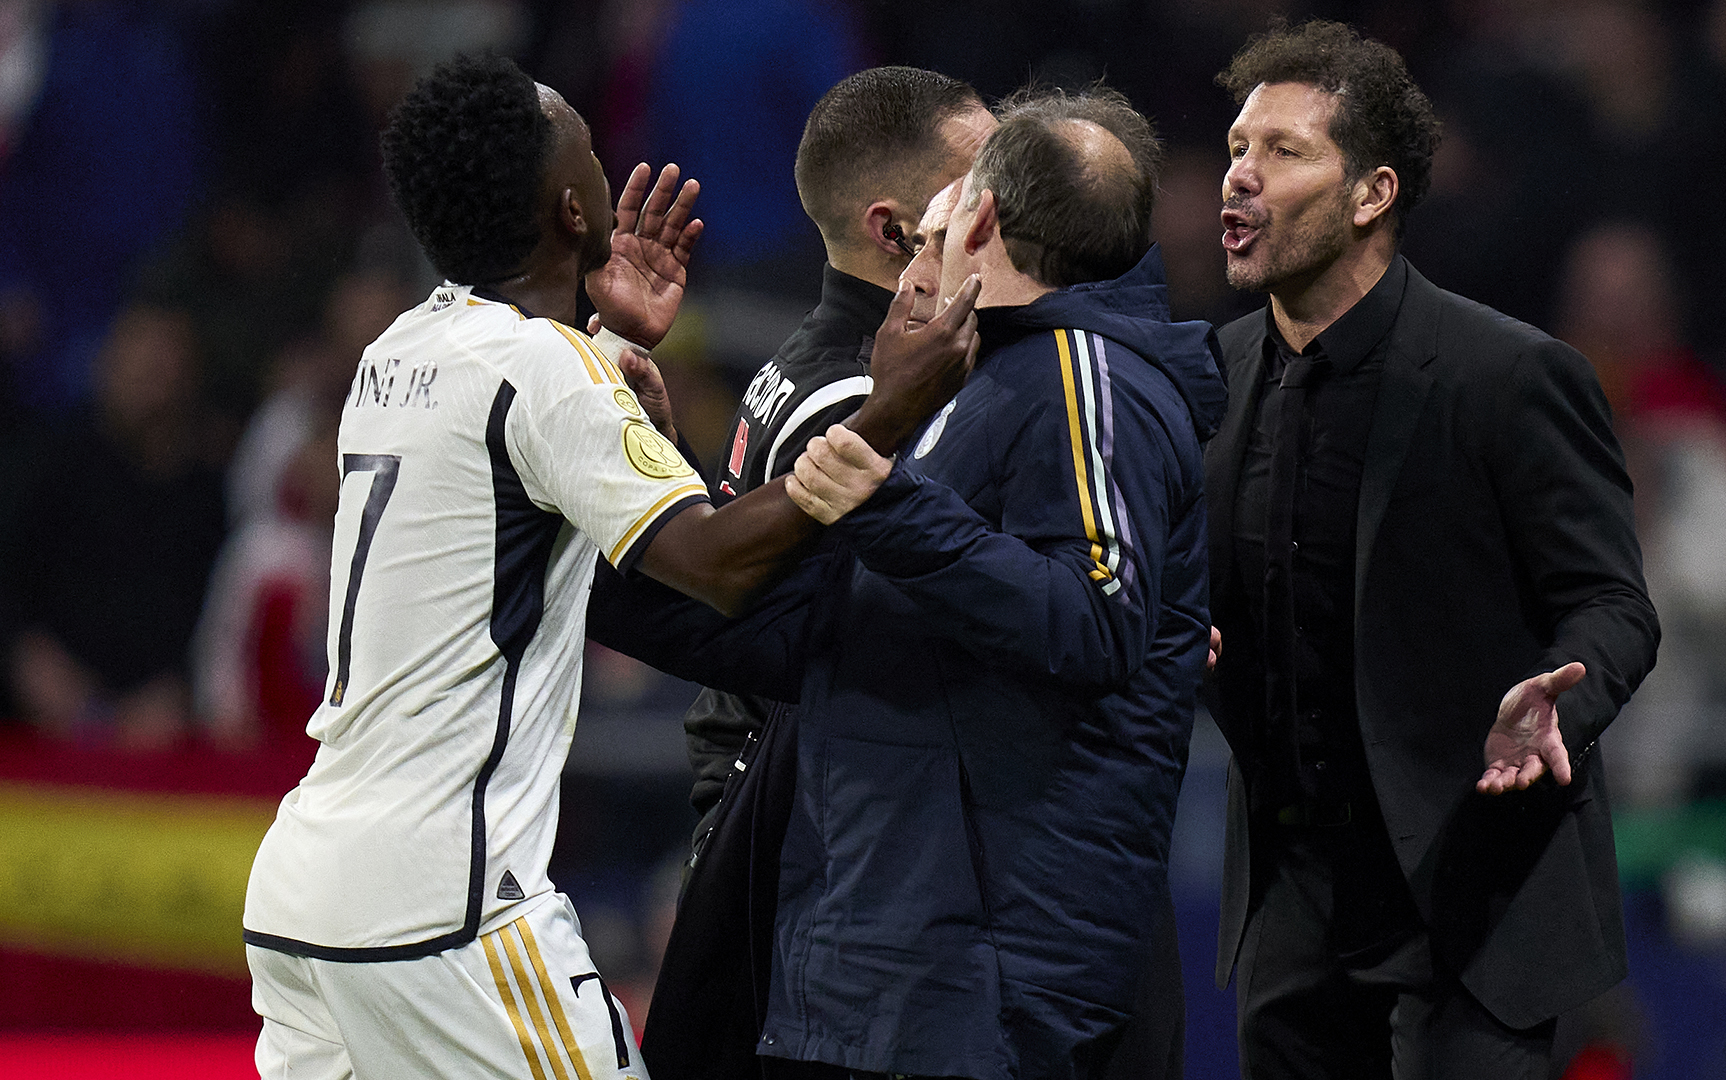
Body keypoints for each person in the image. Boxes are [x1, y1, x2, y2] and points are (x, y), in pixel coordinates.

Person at [239, 54, 978, 1080]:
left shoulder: (397, 351)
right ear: (573, 208)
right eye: (589, 146)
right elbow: (717, 567)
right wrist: (887, 410)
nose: (606, 155)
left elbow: (518, 467)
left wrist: (608, 345)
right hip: (445, 903)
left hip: (302, 891)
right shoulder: (547, 373)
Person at [731, 84, 1224, 1079]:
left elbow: (1095, 619)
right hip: (895, 954)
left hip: (985, 977)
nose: (915, 262)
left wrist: (887, 506)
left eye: (932, 231)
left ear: (982, 218)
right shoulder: (982, 377)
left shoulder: (1085, 374)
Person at [1202, 19, 1661, 1078]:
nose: (1240, 175)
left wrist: (1560, 705)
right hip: (1289, 901)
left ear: (1372, 194)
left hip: (1473, 891)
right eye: (1236, 147)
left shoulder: (1508, 375)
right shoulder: (1211, 378)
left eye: (1283, 150)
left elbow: (1615, 605)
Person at [681, 65, 995, 847]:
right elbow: (913, 648)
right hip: (817, 837)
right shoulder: (858, 402)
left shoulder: (806, 359)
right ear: (894, 232)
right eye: (983, 186)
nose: (1011, 204)